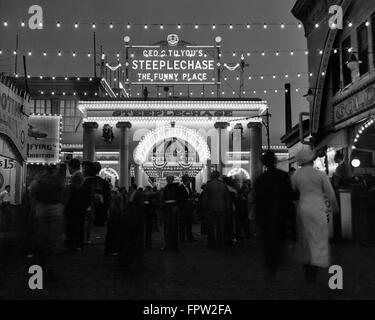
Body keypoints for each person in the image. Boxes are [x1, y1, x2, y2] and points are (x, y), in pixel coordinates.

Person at [292, 149, 339, 282]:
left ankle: (306, 263)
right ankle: (315, 265)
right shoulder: (320, 174)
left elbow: (292, 191)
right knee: (318, 237)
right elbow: (329, 193)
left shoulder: (296, 175)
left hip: (303, 208)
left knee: (305, 238)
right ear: (312, 161)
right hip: (318, 208)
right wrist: (335, 207)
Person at [254, 151, 295, 277]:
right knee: (279, 239)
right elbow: (289, 196)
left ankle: (270, 265)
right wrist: (290, 215)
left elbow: (258, 201)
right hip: (280, 213)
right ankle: (278, 261)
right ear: (275, 161)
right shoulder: (283, 176)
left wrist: (257, 218)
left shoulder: (260, 180)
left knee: (268, 241)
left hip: (266, 215)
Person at [29, 167, 65, 282]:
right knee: (54, 239)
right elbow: (64, 194)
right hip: (56, 208)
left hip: (41, 207)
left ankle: (41, 266)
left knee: (42, 236)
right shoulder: (57, 180)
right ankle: (51, 268)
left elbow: (32, 193)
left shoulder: (38, 180)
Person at [119, 185, 145, 275]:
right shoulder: (135, 196)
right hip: (132, 221)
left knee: (132, 240)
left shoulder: (133, 196)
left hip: (133, 221)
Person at [202, 171, 230, 249]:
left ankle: (211, 243)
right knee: (220, 227)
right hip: (222, 207)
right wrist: (227, 207)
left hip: (211, 208)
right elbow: (227, 197)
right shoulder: (223, 185)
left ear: (211, 176)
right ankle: (220, 243)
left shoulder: (209, 185)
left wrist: (204, 208)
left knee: (211, 226)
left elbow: (205, 198)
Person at [65, 158, 84, 249]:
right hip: (77, 203)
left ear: (71, 166)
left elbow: (75, 189)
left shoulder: (76, 175)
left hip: (75, 204)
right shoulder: (79, 175)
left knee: (74, 224)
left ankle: (74, 243)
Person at [161, 176, 181, 251]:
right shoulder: (169, 187)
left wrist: (176, 206)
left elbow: (178, 198)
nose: (168, 180)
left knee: (172, 228)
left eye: (169, 179)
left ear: (172, 180)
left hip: (171, 209)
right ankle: (169, 244)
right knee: (168, 228)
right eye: (167, 179)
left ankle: (173, 245)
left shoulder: (174, 188)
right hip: (168, 209)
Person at [93, 162, 111, 226]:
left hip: (93, 211)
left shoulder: (88, 181)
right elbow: (107, 198)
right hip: (101, 211)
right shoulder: (103, 182)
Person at [179, 174, 196, 242]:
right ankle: (182, 238)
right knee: (182, 225)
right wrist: (188, 200)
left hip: (189, 208)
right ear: (186, 180)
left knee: (189, 224)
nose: (189, 181)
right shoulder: (180, 188)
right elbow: (180, 199)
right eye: (189, 180)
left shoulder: (188, 188)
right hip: (183, 209)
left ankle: (190, 237)